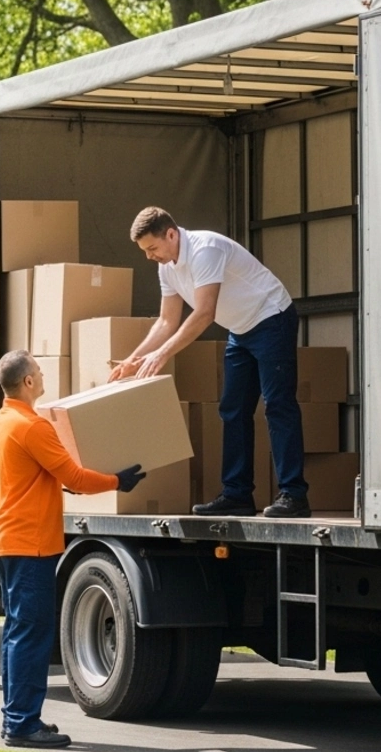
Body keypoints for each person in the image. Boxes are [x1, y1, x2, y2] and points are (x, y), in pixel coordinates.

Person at [0, 350, 145, 749]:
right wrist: (116, 481)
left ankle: (16, 717)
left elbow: (54, 477)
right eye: (38, 372)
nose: (42, 377)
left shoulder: (0, 422)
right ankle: (23, 724)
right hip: (31, 543)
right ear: (26, 382)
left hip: (7, 539)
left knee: (16, 632)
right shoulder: (33, 427)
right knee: (32, 634)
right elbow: (73, 475)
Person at [110, 207, 309, 518]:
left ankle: (294, 495)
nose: (150, 257)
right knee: (232, 409)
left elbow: (204, 314)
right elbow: (166, 322)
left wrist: (162, 355)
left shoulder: (206, 250)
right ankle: (237, 494)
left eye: (152, 248)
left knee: (277, 405)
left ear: (171, 234)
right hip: (241, 330)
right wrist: (134, 359)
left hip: (271, 318)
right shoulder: (167, 268)